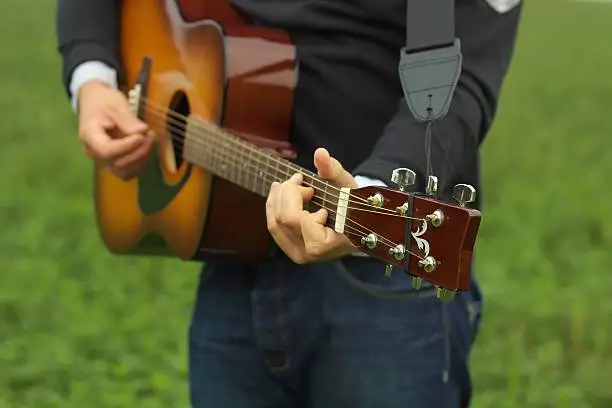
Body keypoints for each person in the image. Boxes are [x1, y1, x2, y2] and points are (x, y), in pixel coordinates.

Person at [56, 0, 522, 407]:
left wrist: (368, 191)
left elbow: (461, 84)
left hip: (385, 282)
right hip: (232, 258)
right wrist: (92, 78)